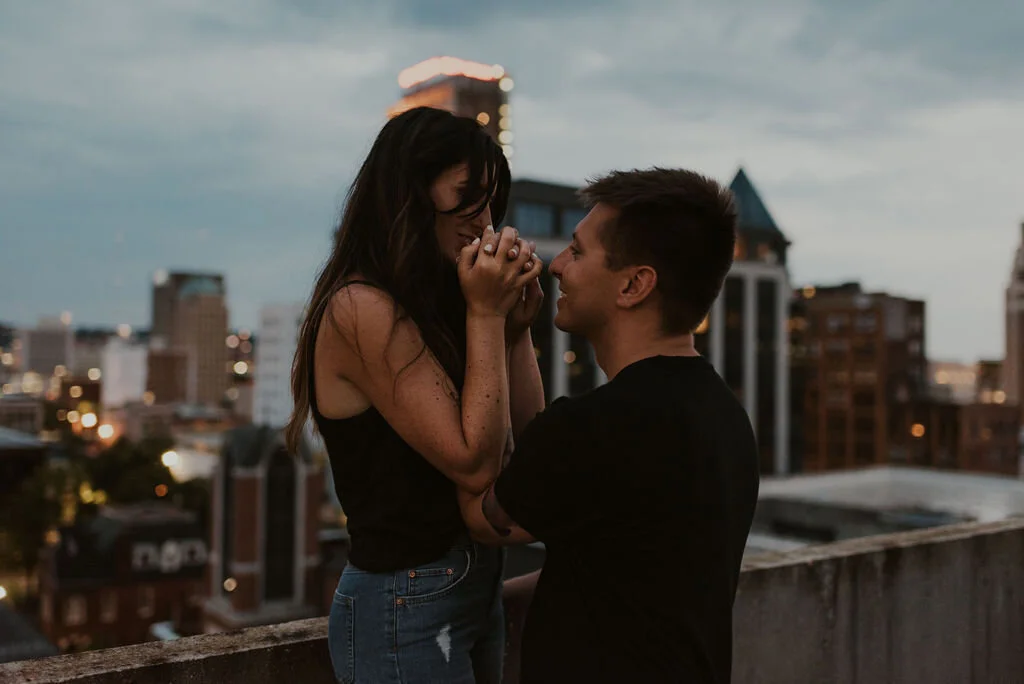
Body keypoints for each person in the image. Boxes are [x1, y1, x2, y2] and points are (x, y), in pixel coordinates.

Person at [460, 168, 761, 683]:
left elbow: (485, 514)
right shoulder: (726, 417)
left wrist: (483, 318)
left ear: (634, 284)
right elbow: (556, 483)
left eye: (577, 251)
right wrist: (515, 337)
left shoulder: (599, 427)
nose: (557, 267)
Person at [286, 106, 546, 684]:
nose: (484, 220)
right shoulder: (360, 307)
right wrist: (484, 312)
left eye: (492, 202)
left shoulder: (443, 296)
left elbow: (530, 446)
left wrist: (515, 329)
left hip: (476, 589)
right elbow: (475, 463)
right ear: (410, 190)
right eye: (469, 197)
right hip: (404, 604)